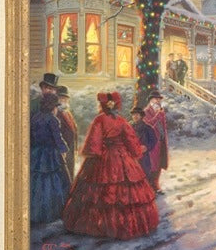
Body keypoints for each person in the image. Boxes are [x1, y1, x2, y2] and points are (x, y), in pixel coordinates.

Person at [62, 91, 160, 240]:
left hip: (102, 157)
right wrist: (137, 151)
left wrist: (96, 154)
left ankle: (100, 226)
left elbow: (93, 143)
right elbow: (131, 142)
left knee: (97, 192)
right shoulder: (122, 121)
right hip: (122, 157)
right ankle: (122, 226)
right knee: (125, 191)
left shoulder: (99, 120)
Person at [29, 94, 70, 224]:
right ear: (52, 107)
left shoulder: (35, 118)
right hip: (50, 154)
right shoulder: (53, 120)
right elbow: (57, 138)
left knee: (37, 182)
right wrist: (64, 150)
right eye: (56, 107)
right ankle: (52, 213)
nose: (56, 109)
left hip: (36, 154)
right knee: (53, 182)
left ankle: (36, 213)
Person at [142, 91, 169, 193]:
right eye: (156, 99)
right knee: (152, 165)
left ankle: (156, 186)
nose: (158, 101)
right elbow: (148, 124)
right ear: (150, 100)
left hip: (161, 141)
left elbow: (163, 126)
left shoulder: (160, 111)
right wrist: (158, 115)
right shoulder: (146, 112)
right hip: (152, 142)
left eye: (159, 99)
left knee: (159, 165)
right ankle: (150, 188)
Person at [129, 107, 158, 182]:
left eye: (137, 114)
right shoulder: (128, 127)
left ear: (141, 116)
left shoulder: (148, 128)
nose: (135, 116)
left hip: (143, 157)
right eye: (133, 115)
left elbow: (153, 140)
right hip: (131, 156)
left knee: (144, 175)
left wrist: (146, 147)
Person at [55, 85, 77, 180]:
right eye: (61, 98)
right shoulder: (56, 114)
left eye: (65, 98)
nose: (64, 100)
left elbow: (73, 130)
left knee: (70, 172)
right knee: (63, 175)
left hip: (70, 149)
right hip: (61, 151)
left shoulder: (67, 113)